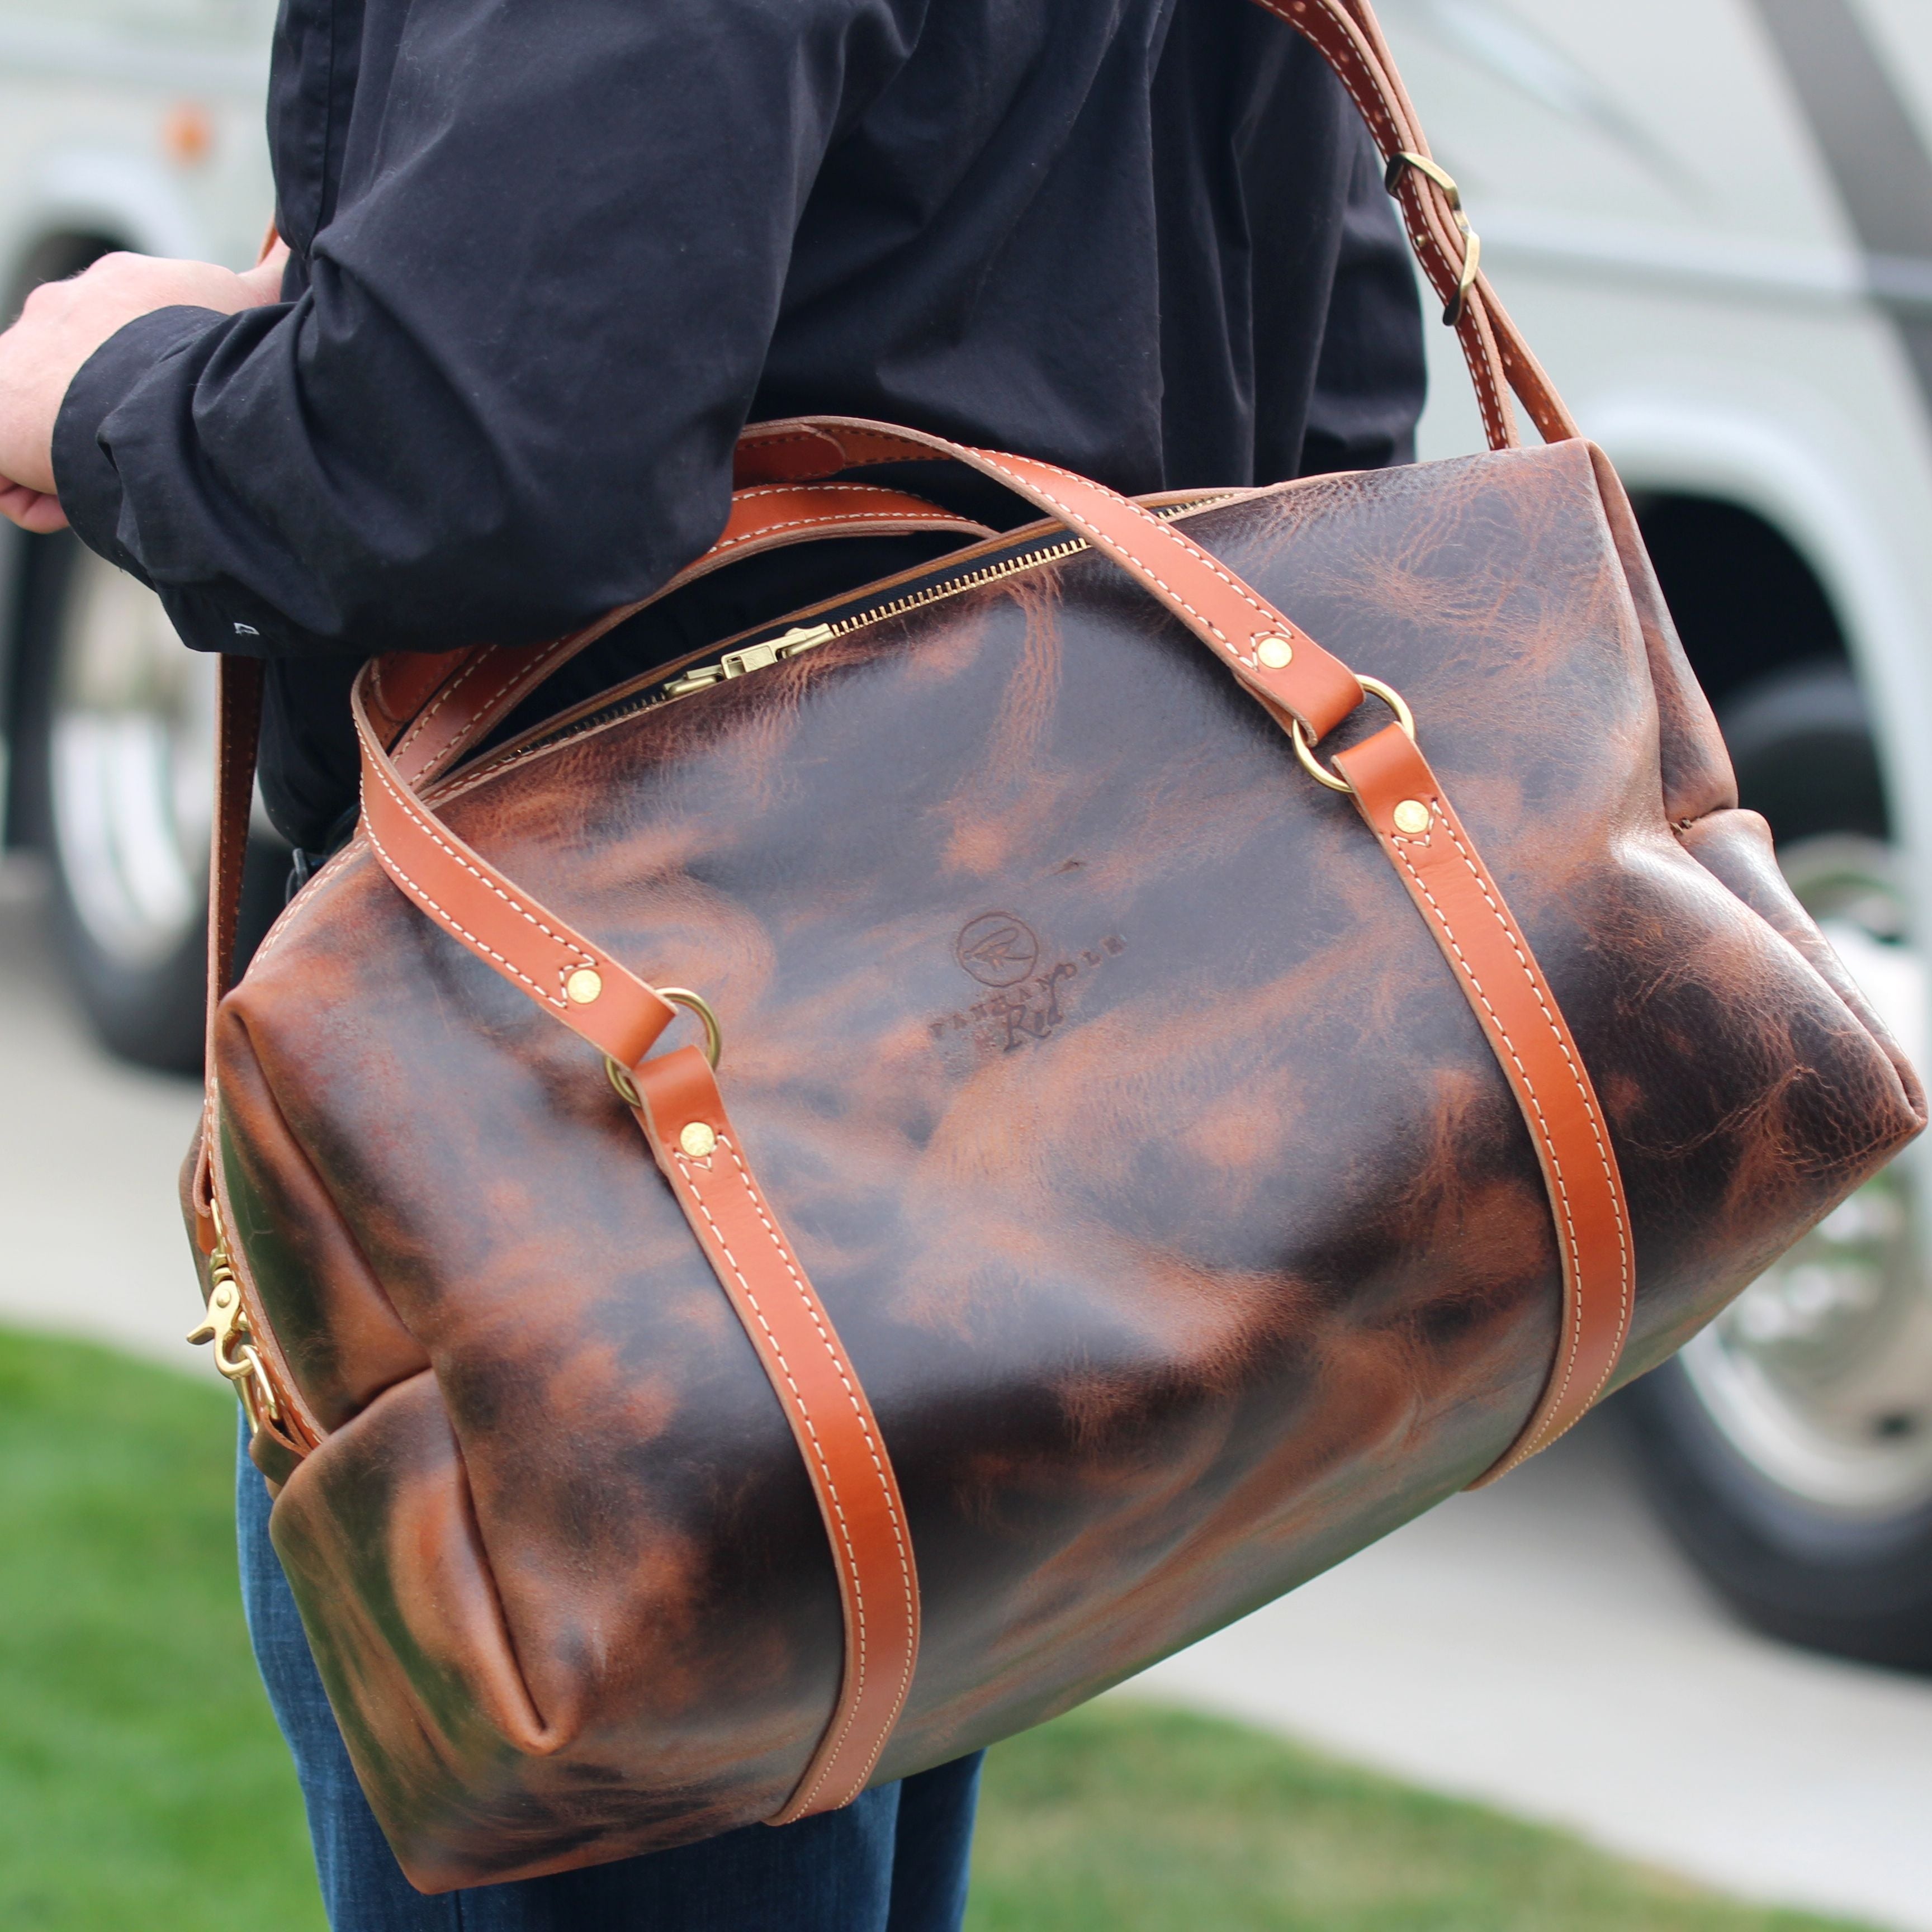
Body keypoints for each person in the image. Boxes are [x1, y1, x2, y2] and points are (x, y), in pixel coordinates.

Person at [0, 0, 1424, 1923]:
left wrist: (106, 394)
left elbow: (477, 461)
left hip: (604, 1178)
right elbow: (1326, 408)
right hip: (996, 1101)